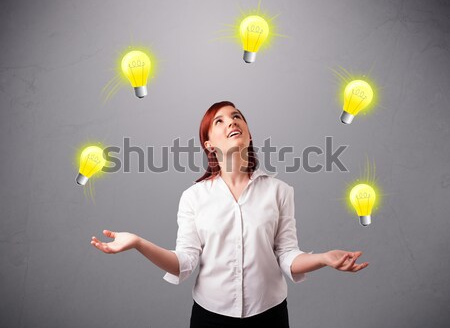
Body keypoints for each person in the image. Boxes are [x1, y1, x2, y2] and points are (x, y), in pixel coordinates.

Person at [91, 101, 369, 328]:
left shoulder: (280, 191)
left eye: (236, 117)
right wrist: (138, 243)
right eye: (219, 121)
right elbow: (183, 263)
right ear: (209, 144)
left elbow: (287, 255)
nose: (231, 122)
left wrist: (323, 258)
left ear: (248, 133)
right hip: (210, 319)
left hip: (270, 316)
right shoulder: (193, 197)